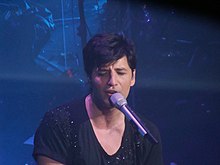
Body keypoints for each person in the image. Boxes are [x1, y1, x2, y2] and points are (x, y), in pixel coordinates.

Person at [32, 32, 164, 165]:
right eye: (102, 73)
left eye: (120, 73)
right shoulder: (59, 123)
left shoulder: (145, 134)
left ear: (133, 77)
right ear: (89, 76)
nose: (113, 81)